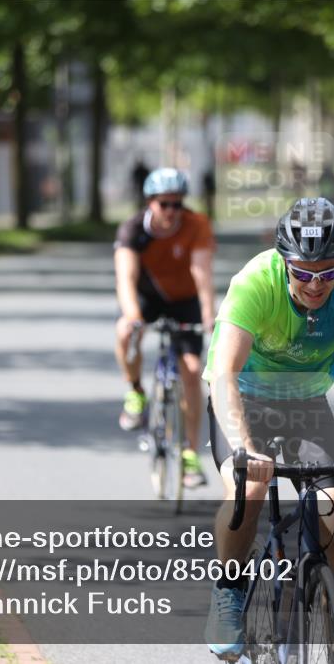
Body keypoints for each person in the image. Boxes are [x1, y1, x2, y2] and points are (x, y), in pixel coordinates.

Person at [203, 197, 334, 658]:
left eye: (327, 273)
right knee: (246, 492)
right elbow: (224, 372)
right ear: (285, 261)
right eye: (303, 273)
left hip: (306, 404)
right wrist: (245, 446)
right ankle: (229, 588)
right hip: (242, 401)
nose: (315, 284)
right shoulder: (255, 282)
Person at [114, 167, 215, 488]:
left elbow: (202, 273)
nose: (171, 211)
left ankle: (189, 453)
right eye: (164, 204)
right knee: (125, 331)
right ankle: (135, 392)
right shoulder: (133, 229)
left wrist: (209, 313)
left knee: (192, 367)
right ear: (150, 202)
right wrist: (133, 316)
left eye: (177, 203)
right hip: (148, 296)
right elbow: (126, 278)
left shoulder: (196, 225)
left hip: (185, 300)